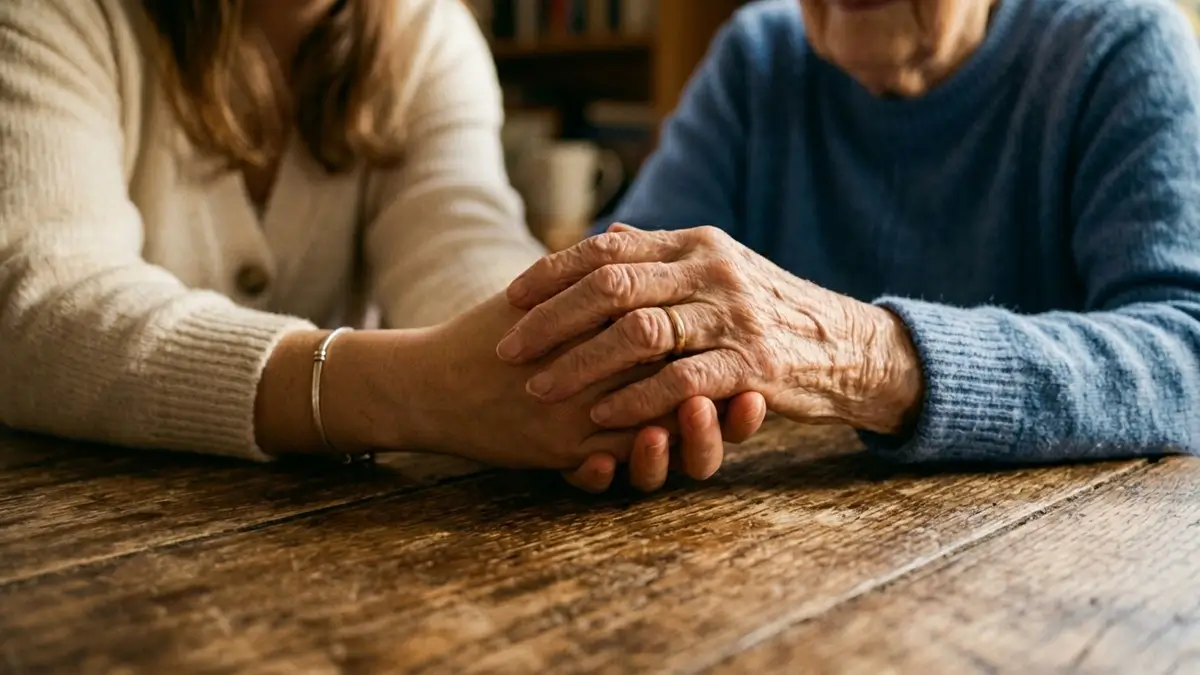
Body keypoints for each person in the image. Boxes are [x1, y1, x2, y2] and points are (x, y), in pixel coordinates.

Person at [0, 0, 768, 494]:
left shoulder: (429, 32)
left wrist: (582, 370)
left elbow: (459, 243)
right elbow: (37, 309)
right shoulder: (53, 16)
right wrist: (415, 390)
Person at [494, 0, 1200, 484]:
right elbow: (616, 297)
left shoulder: (1121, 47)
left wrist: (858, 355)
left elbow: (1185, 357)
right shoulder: (757, 57)